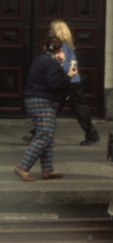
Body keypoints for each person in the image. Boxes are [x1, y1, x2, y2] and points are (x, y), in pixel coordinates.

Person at [14, 36, 77, 182]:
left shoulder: (41, 60)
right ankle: (23, 167)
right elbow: (55, 83)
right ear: (60, 50)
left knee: (47, 137)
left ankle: (47, 170)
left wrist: (59, 63)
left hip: (34, 100)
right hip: (43, 102)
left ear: (44, 47)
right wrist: (68, 75)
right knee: (44, 136)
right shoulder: (51, 63)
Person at [51, 20, 100, 145]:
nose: (49, 32)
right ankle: (38, 132)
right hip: (73, 81)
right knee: (56, 107)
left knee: (66, 108)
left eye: (51, 29)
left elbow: (62, 64)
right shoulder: (68, 46)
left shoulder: (60, 46)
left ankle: (92, 134)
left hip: (68, 81)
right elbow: (73, 64)